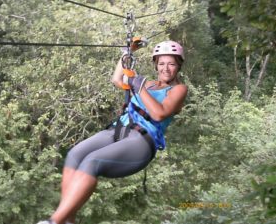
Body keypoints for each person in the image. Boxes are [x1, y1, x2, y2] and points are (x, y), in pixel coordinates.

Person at [36, 40, 188, 224]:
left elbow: (159, 113)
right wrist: (127, 52)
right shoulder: (146, 84)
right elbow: (117, 79)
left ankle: (54, 221)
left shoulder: (178, 89)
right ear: (155, 64)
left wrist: (138, 86)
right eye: (162, 63)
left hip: (141, 140)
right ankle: (69, 219)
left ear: (178, 65)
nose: (166, 68)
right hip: (119, 129)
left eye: (171, 64)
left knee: (92, 161)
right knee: (74, 155)